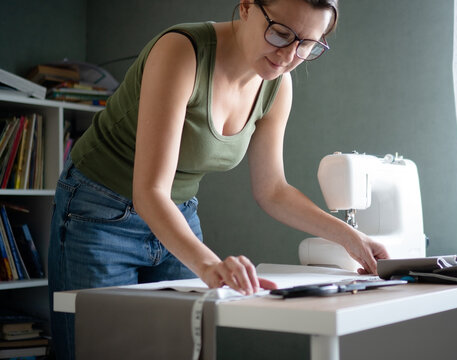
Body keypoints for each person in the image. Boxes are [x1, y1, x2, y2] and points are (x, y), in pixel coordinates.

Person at [48, 0, 389, 358]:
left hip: (176, 214)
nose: (288, 55)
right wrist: (210, 264)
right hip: (99, 212)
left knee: (181, 349)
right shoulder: (181, 52)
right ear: (245, 7)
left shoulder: (276, 86)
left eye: (306, 44)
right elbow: (149, 191)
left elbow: (273, 190)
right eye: (280, 33)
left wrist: (350, 238)